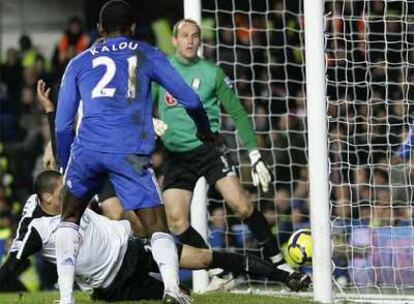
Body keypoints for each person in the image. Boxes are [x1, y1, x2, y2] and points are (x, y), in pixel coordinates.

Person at [54, 1, 214, 303]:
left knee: (70, 217)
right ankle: (171, 289)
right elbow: (190, 100)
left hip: (87, 151)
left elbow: (63, 125)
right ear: (133, 27)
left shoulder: (78, 62)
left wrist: (65, 164)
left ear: (100, 29)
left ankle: (65, 298)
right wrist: (203, 129)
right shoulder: (148, 54)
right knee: (156, 225)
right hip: (128, 153)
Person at [0, 171, 311, 302]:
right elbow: (13, 262)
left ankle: (284, 276)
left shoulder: (69, 192)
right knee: (175, 296)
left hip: (133, 247)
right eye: (61, 193)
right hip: (114, 285)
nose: (70, 195)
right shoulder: (35, 227)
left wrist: (51, 110)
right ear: (46, 199)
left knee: (201, 257)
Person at [152, 19, 290, 289]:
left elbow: (237, 112)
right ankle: (219, 271)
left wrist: (254, 154)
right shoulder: (161, 71)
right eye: (185, 36)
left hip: (210, 149)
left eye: (195, 36)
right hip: (175, 155)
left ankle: (277, 258)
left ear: (200, 40)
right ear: (175, 41)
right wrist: (148, 120)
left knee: (242, 206)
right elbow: (142, 103)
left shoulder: (212, 73)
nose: (191, 41)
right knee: (176, 222)